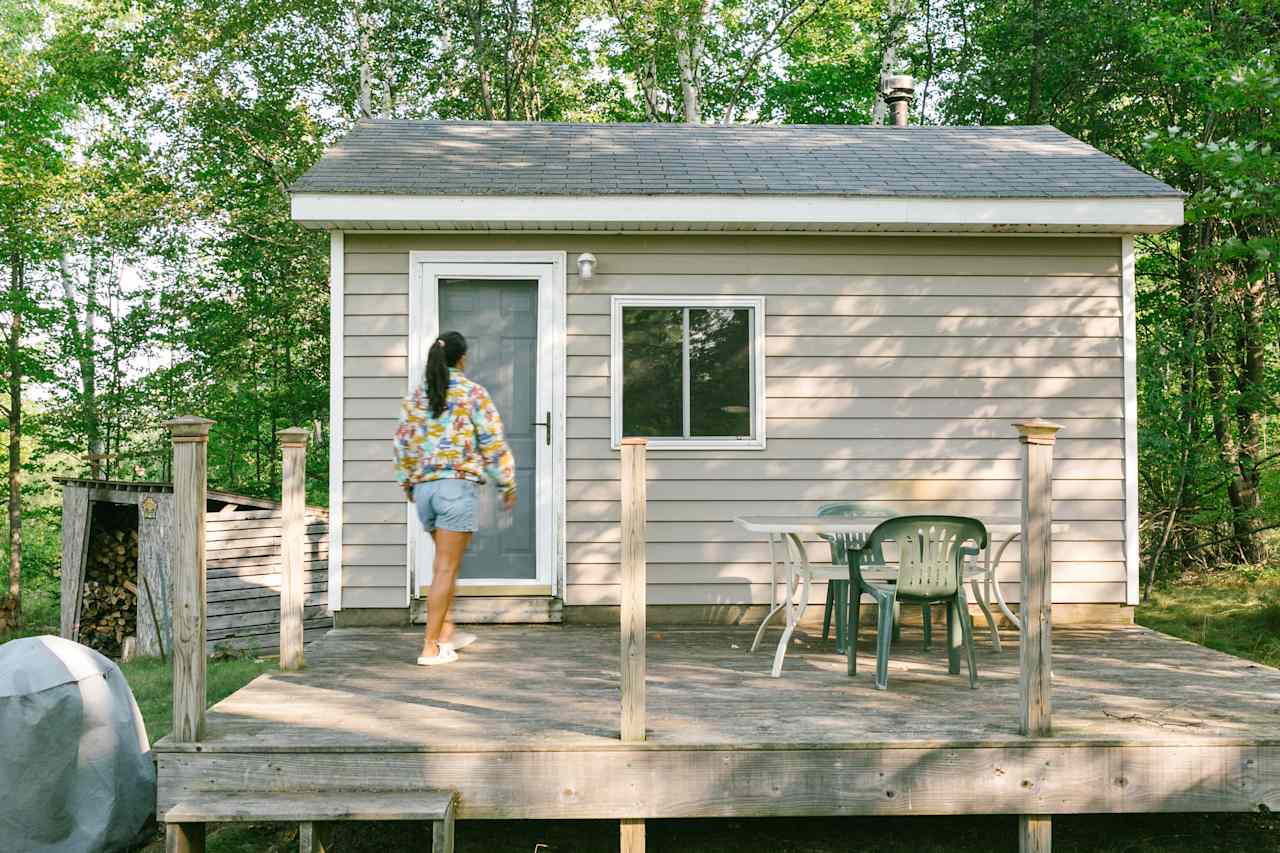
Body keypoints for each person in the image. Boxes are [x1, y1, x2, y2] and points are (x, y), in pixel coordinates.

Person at [392, 331, 517, 665]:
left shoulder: (418, 396)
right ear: (462, 358)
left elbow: (402, 444)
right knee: (447, 569)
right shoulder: (473, 393)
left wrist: (408, 483)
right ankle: (430, 647)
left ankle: (447, 631)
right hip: (454, 488)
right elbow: (491, 441)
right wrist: (506, 483)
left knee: (442, 566)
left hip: (425, 491)